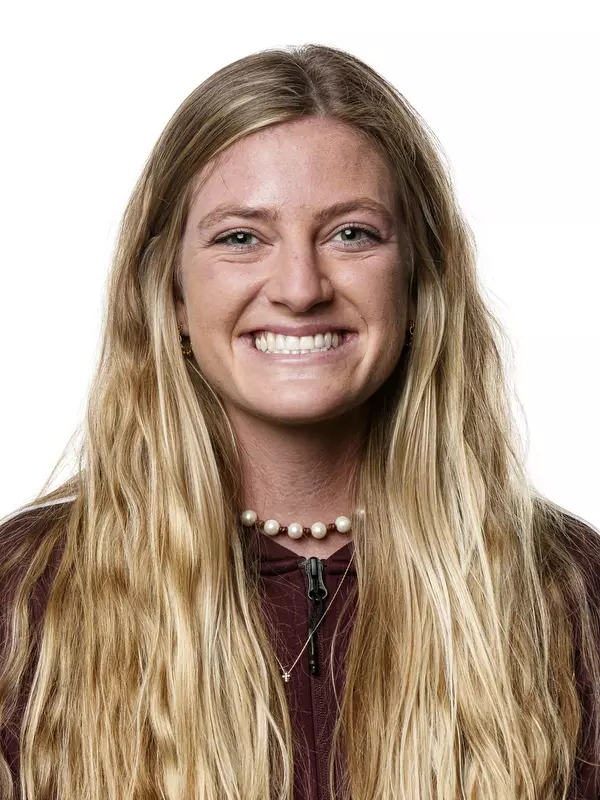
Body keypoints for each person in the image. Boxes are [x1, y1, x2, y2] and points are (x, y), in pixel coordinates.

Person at [1, 43, 599, 800]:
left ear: (417, 279)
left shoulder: (569, 591)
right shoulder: (25, 596)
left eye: (351, 233)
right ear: (172, 293)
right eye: (240, 237)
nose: (299, 287)